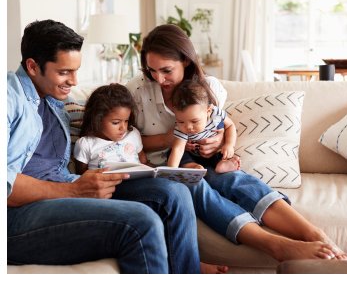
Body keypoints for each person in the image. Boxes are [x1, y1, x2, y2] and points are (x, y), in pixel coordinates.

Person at [7, 19, 226, 274]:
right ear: (33, 66)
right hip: (18, 214)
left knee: (172, 192)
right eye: (65, 72)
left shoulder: (53, 102)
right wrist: (73, 190)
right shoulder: (9, 98)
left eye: (76, 71)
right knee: (141, 222)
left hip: (64, 188)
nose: (74, 81)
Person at [126, 24, 347, 261]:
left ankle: (315, 234)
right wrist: (170, 138)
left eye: (166, 70)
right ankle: (276, 246)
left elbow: (220, 126)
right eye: (152, 70)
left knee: (234, 179)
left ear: (186, 62)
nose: (158, 79)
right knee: (193, 185)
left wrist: (218, 142)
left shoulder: (209, 88)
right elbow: (126, 142)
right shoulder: (137, 90)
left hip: (205, 158)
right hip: (165, 165)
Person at [167, 79, 240, 173]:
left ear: (208, 111)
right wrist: (170, 172)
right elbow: (178, 149)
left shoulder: (215, 115)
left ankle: (222, 164)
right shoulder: (181, 129)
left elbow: (230, 126)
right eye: (181, 121)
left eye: (195, 121)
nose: (188, 127)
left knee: (223, 153)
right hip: (193, 155)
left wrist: (229, 145)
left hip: (213, 153)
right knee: (173, 153)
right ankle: (192, 166)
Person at [74, 83, 147, 174]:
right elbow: (82, 176)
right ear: (97, 119)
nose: (123, 128)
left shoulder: (133, 133)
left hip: (138, 182)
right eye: (116, 123)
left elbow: (143, 161)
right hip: (108, 186)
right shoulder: (86, 144)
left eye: (126, 121)